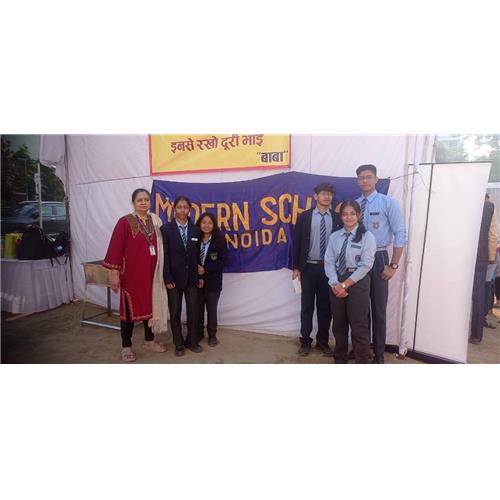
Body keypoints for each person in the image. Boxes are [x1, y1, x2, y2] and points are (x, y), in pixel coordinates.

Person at [103, 188, 168, 362]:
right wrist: (114, 273)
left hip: (152, 275)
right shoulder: (124, 222)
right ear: (133, 203)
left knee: (151, 308)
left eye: (146, 199)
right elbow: (115, 248)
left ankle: (149, 340)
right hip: (131, 275)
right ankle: (126, 346)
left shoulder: (155, 221)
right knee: (129, 312)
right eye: (140, 200)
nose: (144, 202)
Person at [355, 164, 406, 364]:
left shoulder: (388, 203)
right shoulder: (355, 205)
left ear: (376, 179)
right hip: (358, 260)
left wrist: (393, 265)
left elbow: (400, 233)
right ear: (358, 181)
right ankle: (362, 351)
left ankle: (379, 355)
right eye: (361, 178)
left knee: (378, 310)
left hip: (379, 259)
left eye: (368, 177)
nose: (364, 181)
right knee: (360, 310)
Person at [292, 182, 342, 356]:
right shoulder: (304, 216)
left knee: (325, 308)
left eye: (329, 194)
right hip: (308, 268)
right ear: (316, 196)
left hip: (329, 271)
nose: (327, 197)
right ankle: (305, 342)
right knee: (306, 307)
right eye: (323, 193)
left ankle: (322, 342)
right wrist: (296, 267)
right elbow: (296, 242)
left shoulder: (337, 218)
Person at [324, 201, 376, 363]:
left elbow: (366, 265)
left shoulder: (367, 237)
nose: (349, 217)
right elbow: (329, 261)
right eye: (345, 214)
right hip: (337, 281)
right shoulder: (335, 236)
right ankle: (340, 359)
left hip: (357, 281)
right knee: (339, 324)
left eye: (352, 214)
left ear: (359, 215)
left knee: (358, 324)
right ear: (341, 216)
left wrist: (345, 285)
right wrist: (334, 283)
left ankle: (361, 360)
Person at [161, 196, 204, 356]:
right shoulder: (166, 229)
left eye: (185, 207)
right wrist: (167, 278)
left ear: (189, 210)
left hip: (192, 278)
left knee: (193, 311)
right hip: (173, 279)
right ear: (174, 209)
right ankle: (178, 344)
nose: (182, 210)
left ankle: (192, 341)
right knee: (175, 313)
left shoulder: (196, 230)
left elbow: (197, 256)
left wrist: (200, 276)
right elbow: (164, 255)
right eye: (179, 207)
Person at [195, 212, 228, 346]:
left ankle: (212, 335)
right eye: (204, 222)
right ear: (199, 224)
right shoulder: (195, 238)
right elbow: (191, 257)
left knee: (211, 309)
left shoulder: (220, 239)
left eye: (210, 223)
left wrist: (205, 269)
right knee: (198, 309)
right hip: (196, 280)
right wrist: (198, 272)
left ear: (214, 225)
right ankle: (199, 333)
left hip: (213, 281)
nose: (206, 225)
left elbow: (222, 261)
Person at [470, 194, 497, 344]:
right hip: (481, 256)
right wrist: (491, 256)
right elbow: (492, 235)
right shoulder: (490, 208)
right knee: (479, 295)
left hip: (463, 256)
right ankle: (476, 335)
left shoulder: (466, 202)